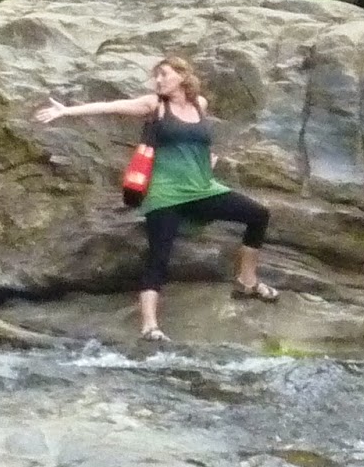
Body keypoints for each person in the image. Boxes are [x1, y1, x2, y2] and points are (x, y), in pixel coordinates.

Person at [34, 53, 278, 342]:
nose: (159, 80)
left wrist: (206, 161)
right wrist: (67, 112)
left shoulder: (200, 105)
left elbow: (198, 141)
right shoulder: (156, 106)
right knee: (158, 256)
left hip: (202, 188)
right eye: (157, 75)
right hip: (165, 193)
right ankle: (149, 325)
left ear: (183, 77)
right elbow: (114, 107)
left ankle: (246, 281)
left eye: (164, 74)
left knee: (258, 214)